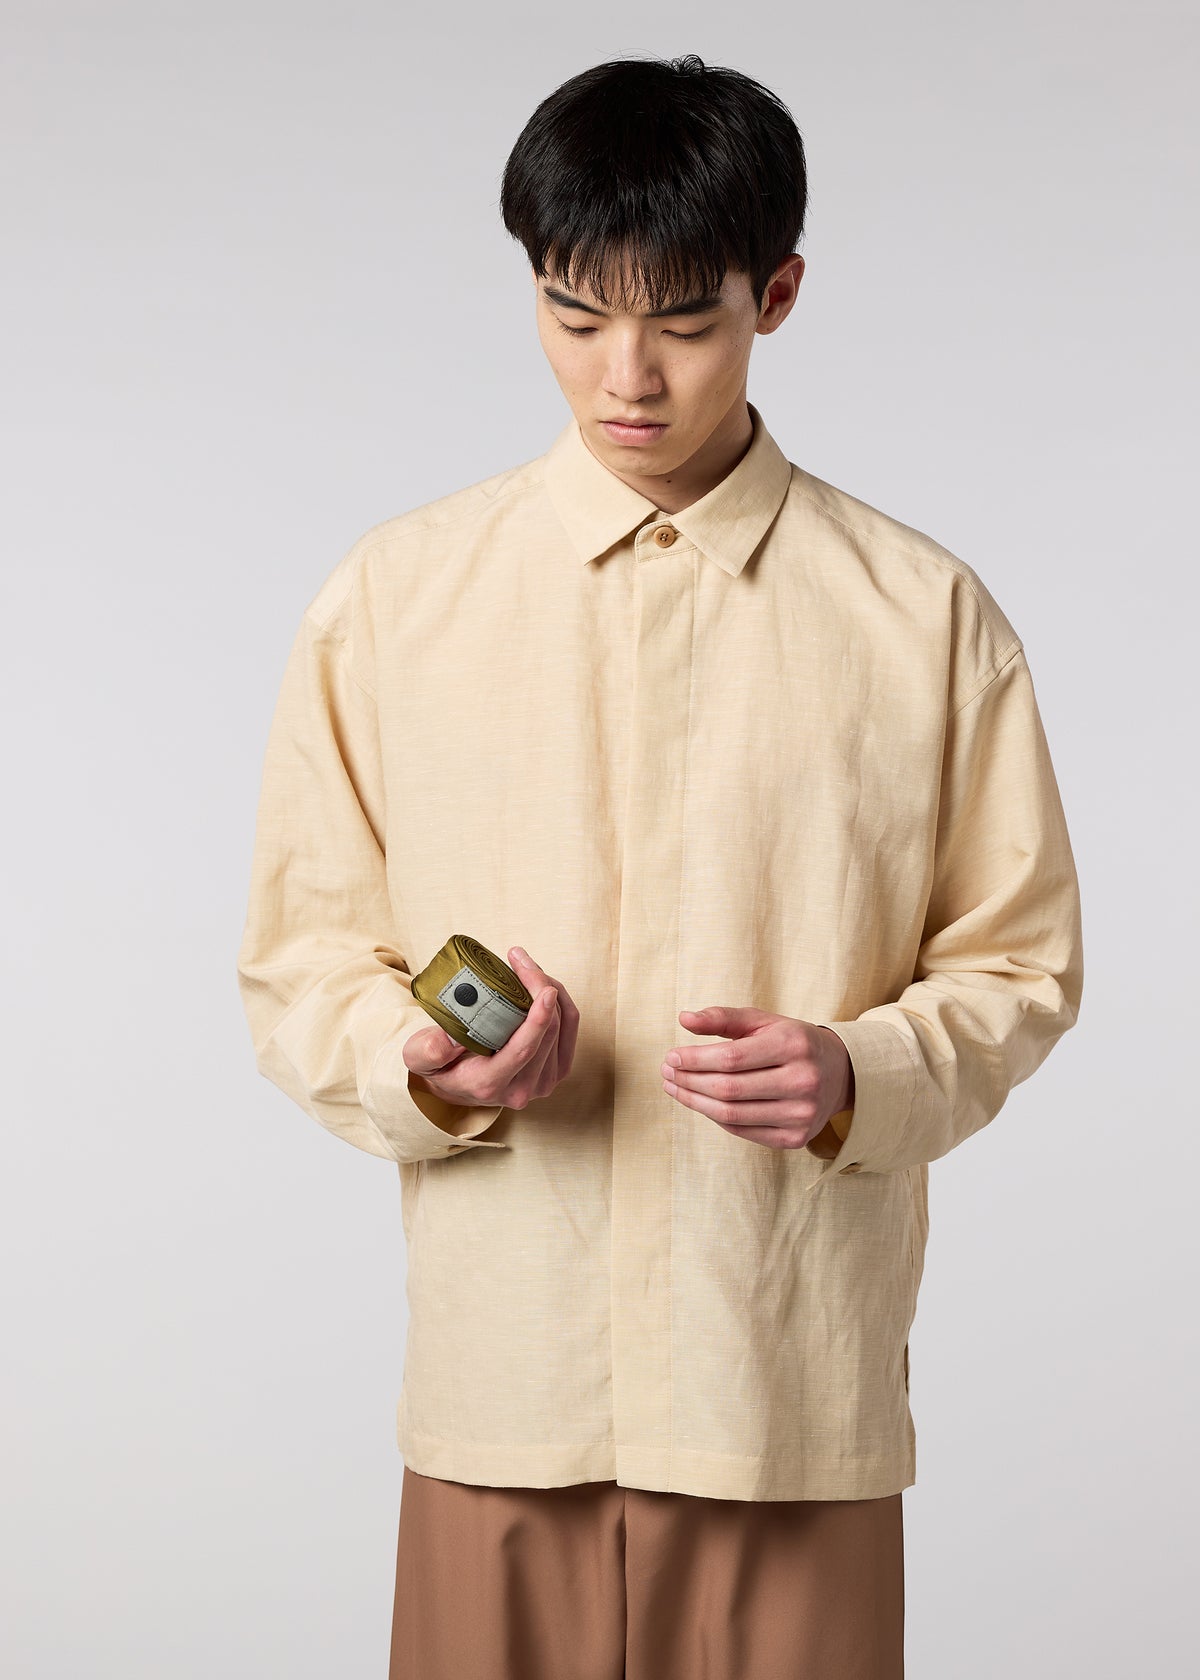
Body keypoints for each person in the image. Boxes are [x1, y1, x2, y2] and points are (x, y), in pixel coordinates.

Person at [235, 52, 1084, 1680]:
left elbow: (1018, 966)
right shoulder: (395, 601)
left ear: (778, 296)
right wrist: (420, 1066)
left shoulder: (922, 618)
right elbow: (303, 958)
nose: (623, 376)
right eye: (573, 314)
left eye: (685, 322)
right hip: (506, 1389)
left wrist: (861, 1069)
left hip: (784, 1398)